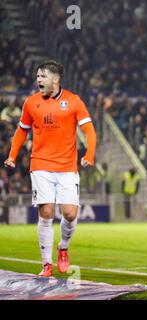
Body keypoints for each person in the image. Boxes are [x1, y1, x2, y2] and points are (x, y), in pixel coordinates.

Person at [4, 60, 97, 277]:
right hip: (41, 164)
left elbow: (90, 131)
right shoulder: (30, 103)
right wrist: (12, 155)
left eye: (43, 76)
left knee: (70, 214)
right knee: (46, 212)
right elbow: (21, 131)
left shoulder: (74, 101)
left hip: (67, 167)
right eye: (37, 76)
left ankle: (63, 247)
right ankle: (46, 264)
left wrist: (89, 155)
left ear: (55, 79)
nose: (38, 80)